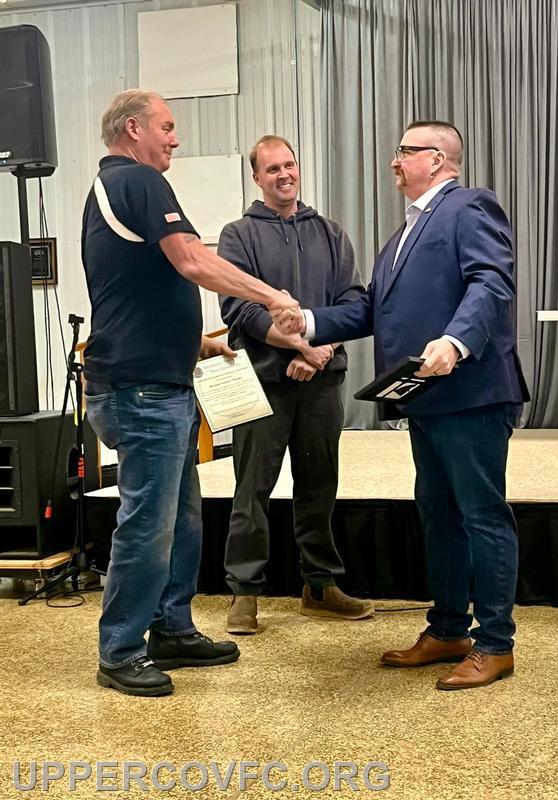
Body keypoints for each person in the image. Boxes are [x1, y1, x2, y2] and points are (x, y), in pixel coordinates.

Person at [272, 121, 530, 690]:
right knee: (439, 518)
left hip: (471, 394)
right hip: (427, 400)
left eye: (405, 151)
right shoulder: (404, 234)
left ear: (436, 159)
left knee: (482, 516)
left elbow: (491, 282)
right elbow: (373, 310)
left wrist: (456, 341)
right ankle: (448, 630)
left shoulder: (469, 207)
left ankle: (495, 644)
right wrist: (308, 321)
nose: (394, 161)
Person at [81, 90, 300, 697]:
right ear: (134, 129)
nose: (175, 138)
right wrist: (273, 296)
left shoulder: (112, 186)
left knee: (180, 520)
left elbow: (130, 287)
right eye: (167, 126)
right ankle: (121, 650)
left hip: (154, 379)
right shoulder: (139, 180)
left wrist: (193, 343)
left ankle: (171, 629)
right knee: (148, 524)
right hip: (142, 392)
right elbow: (194, 261)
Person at [218, 135, 374, 634]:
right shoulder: (237, 236)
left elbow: (354, 304)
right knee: (252, 491)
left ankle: (320, 587)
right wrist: (300, 347)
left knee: (319, 486)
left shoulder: (331, 233)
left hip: (322, 380)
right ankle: (244, 592)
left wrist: (318, 349)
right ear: (256, 177)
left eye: (290, 165)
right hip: (262, 383)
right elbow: (239, 310)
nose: (284, 175)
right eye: (272, 169)